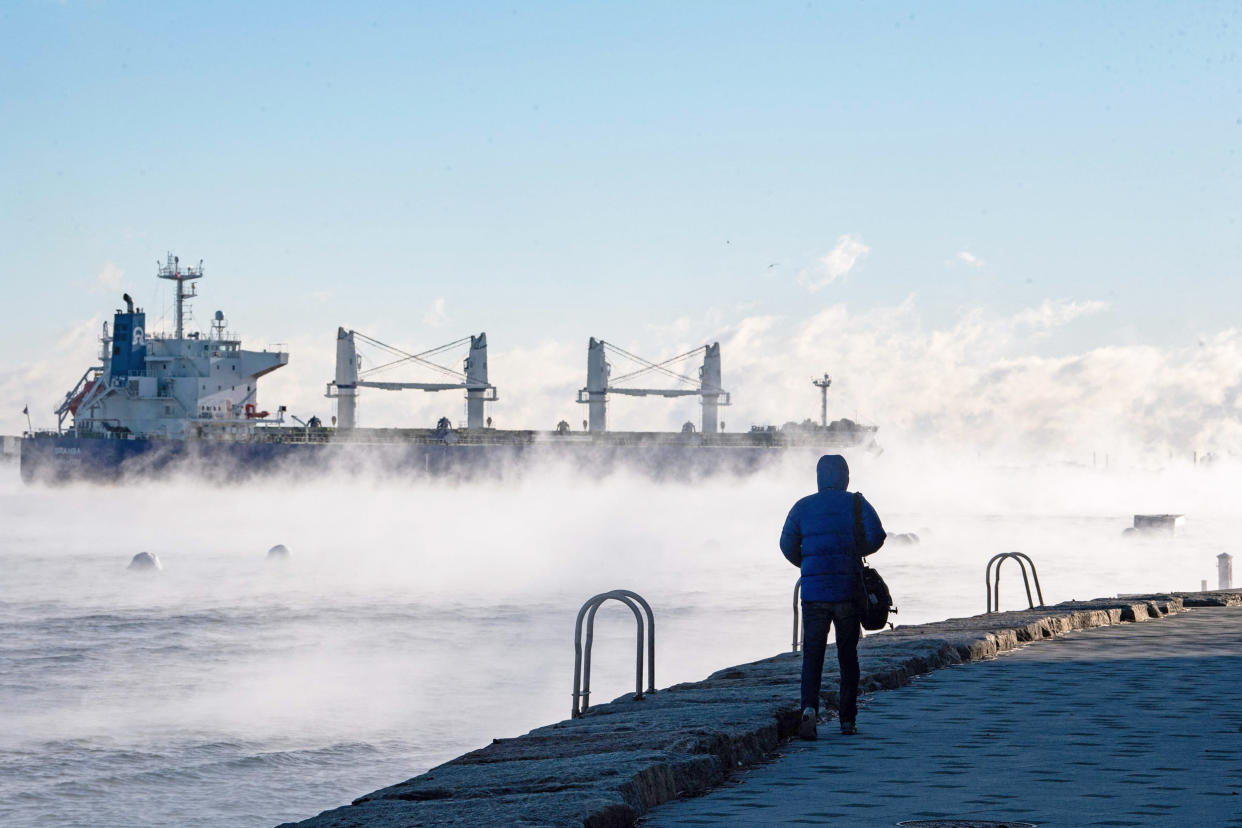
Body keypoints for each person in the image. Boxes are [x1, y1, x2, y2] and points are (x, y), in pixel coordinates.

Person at [780, 454, 885, 739]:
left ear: (818, 477)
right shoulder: (856, 503)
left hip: (813, 594)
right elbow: (877, 535)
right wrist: (855, 550)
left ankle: (808, 711)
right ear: (845, 477)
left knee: (811, 656)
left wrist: (808, 564)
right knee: (847, 656)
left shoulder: (802, 506)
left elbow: (786, 544)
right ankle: (847, 720)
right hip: (848, 591)